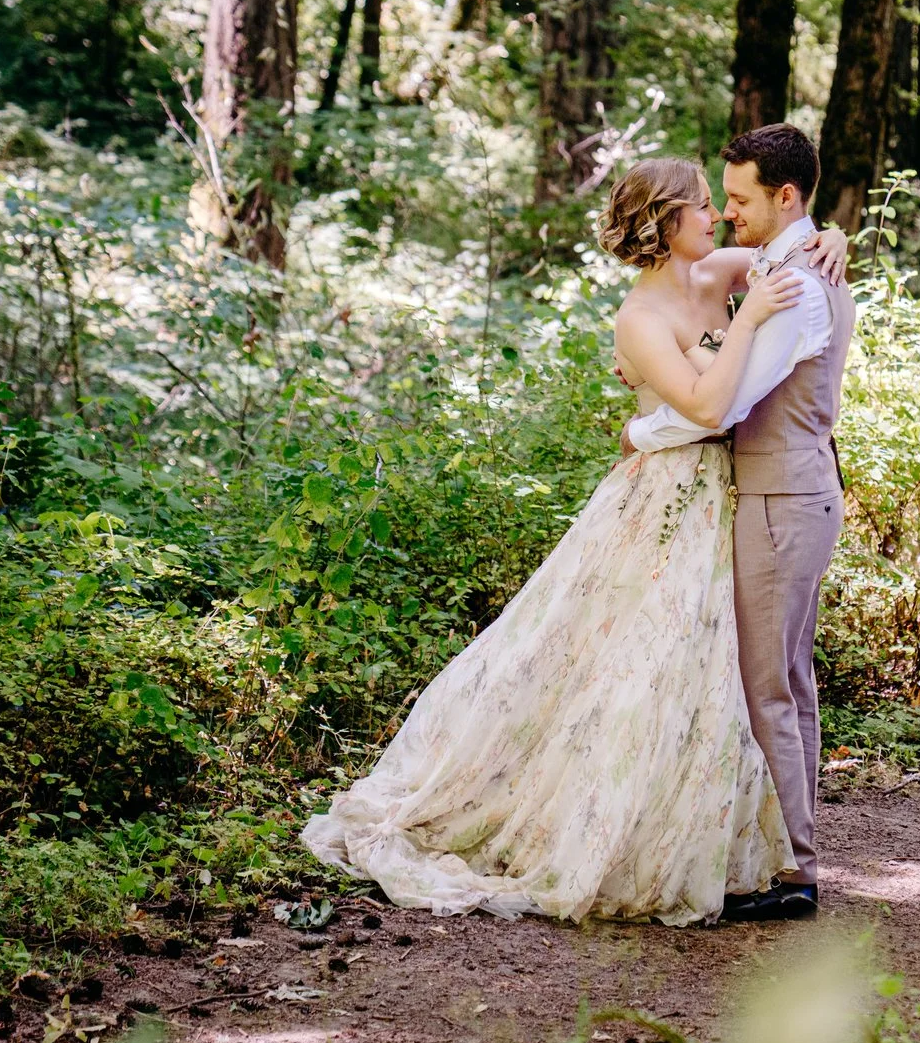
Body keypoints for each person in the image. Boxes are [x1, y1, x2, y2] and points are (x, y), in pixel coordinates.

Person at [299, 157, 850, 925]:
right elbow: (707, 406)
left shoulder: (722, 270)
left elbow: (788, 247)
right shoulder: (640, 319)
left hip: (723, 500)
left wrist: (835, 238)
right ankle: (609, 821)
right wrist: (745, 324)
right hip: (665, 498)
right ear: (665, 223)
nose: (718, 217)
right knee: (628, 667)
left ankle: (731, 838)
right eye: (700, 206)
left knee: (702, 676)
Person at [623, 125, 854, 922]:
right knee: (790, 682)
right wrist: (833, 235)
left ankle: (795, 870)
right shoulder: (788, 263)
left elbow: (723, 404)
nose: (727, 213)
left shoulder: (791, 286)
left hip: (783, 496)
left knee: (769, 689)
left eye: (744, 198)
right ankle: (792, 853)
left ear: (786, 196)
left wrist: (639, 433)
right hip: (791, 491)